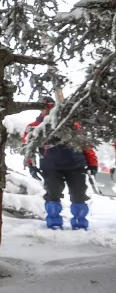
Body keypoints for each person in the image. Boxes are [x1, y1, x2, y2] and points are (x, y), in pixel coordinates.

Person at [22, 96, 98, 229]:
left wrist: (93, 163)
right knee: (52, 195)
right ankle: (54, 223)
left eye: (50, 107)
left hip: (76, 165)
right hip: (51, 167)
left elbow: (86, 145)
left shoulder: (72, 125)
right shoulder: (34, 127)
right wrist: (31, 165)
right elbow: (28, 148)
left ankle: (80, 224)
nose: (48, 110)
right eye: (45, 107)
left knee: (79, 195)